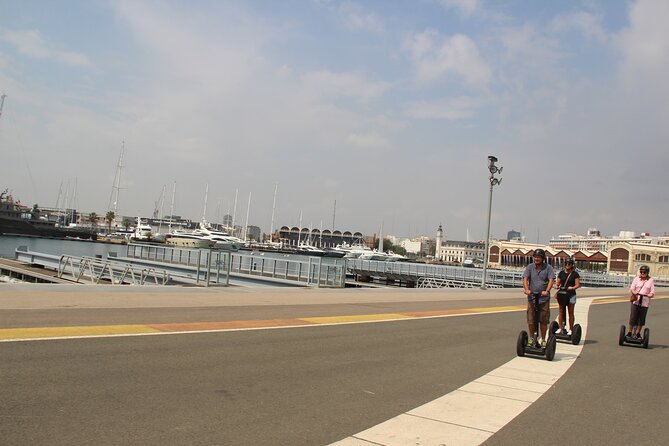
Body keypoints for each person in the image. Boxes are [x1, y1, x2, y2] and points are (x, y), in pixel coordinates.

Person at [522, 249, 555, 348]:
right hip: (532, 297)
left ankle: (544, 339)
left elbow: (551, 280)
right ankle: (532, 338)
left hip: (543, 299)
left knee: (543, 320)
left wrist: (547, 291)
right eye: (535, 257)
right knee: (531, 319)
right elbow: (525, 278)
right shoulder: (530, 267)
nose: (536, 259)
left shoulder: (548, 268)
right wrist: (527, 289)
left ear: (542, 258)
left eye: (538, 257)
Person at [554, 258, 581, 335]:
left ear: (572, 265)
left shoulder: (575, 274)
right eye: (566, 263)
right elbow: (558, 283)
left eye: (569, 264)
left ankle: (571, 329)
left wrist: (572, 287)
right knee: (561, 311)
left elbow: (577, 284)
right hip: (562, 294)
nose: (567, 265)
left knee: (570, 312)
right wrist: (556, 286)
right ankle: (560, 327)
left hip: (571, 295)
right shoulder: (561, 273)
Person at [627, 265, 655, 339]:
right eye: (641, 272)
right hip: (636, 301)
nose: (642, 273)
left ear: (647, 272)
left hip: (645, 302)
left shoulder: (651, 280)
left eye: (644, 272)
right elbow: (632, 288)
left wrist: (650, 295)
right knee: (633, 317)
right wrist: (634, 292)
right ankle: (629, 332)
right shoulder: (636, 279)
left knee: (641, 318)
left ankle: (638, 333)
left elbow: (652, 292)